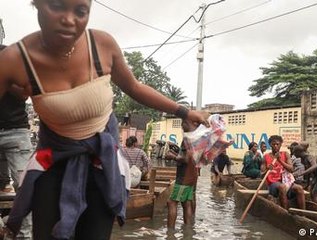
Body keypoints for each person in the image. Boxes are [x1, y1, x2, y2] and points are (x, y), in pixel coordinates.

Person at [0, 1, 209, 239]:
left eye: (80, 11)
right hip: (52, 161)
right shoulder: (14, 59)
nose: (69, 19)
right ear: (36, 3)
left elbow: (134, 87)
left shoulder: (101, 44)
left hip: (103, 162)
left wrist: (184, 112)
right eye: (57, 6)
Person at [0, 44, 33, 240]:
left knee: (24, 186)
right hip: (16, 133)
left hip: (16, 133)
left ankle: (24, 236)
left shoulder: (12, 59)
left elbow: (24, 93)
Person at [165, 120, 200, 229]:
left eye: (183, 124)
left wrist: (172, 156)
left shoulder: (187, 139)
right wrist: (176, 153)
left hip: (184, 177)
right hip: (192, 176)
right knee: (186, 203)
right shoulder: (197, 139)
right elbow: (189, 157)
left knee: (171, 202)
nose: (182, 126)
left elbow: (185, 159)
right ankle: (188, 231)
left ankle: (170, 233)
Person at [262, 135, 305, 210]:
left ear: (281, 144)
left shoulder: (285, 154)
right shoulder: (266, 157)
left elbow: (291, 169)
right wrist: (267, 170)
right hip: (273, 184)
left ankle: (303, 214)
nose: (275, 146)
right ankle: (285, 212)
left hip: (287, 182)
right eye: (273, 144)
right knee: (282, 187)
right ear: (270, 145)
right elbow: (261, 175)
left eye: (277, 144)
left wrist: (280, 161)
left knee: (300, 188)